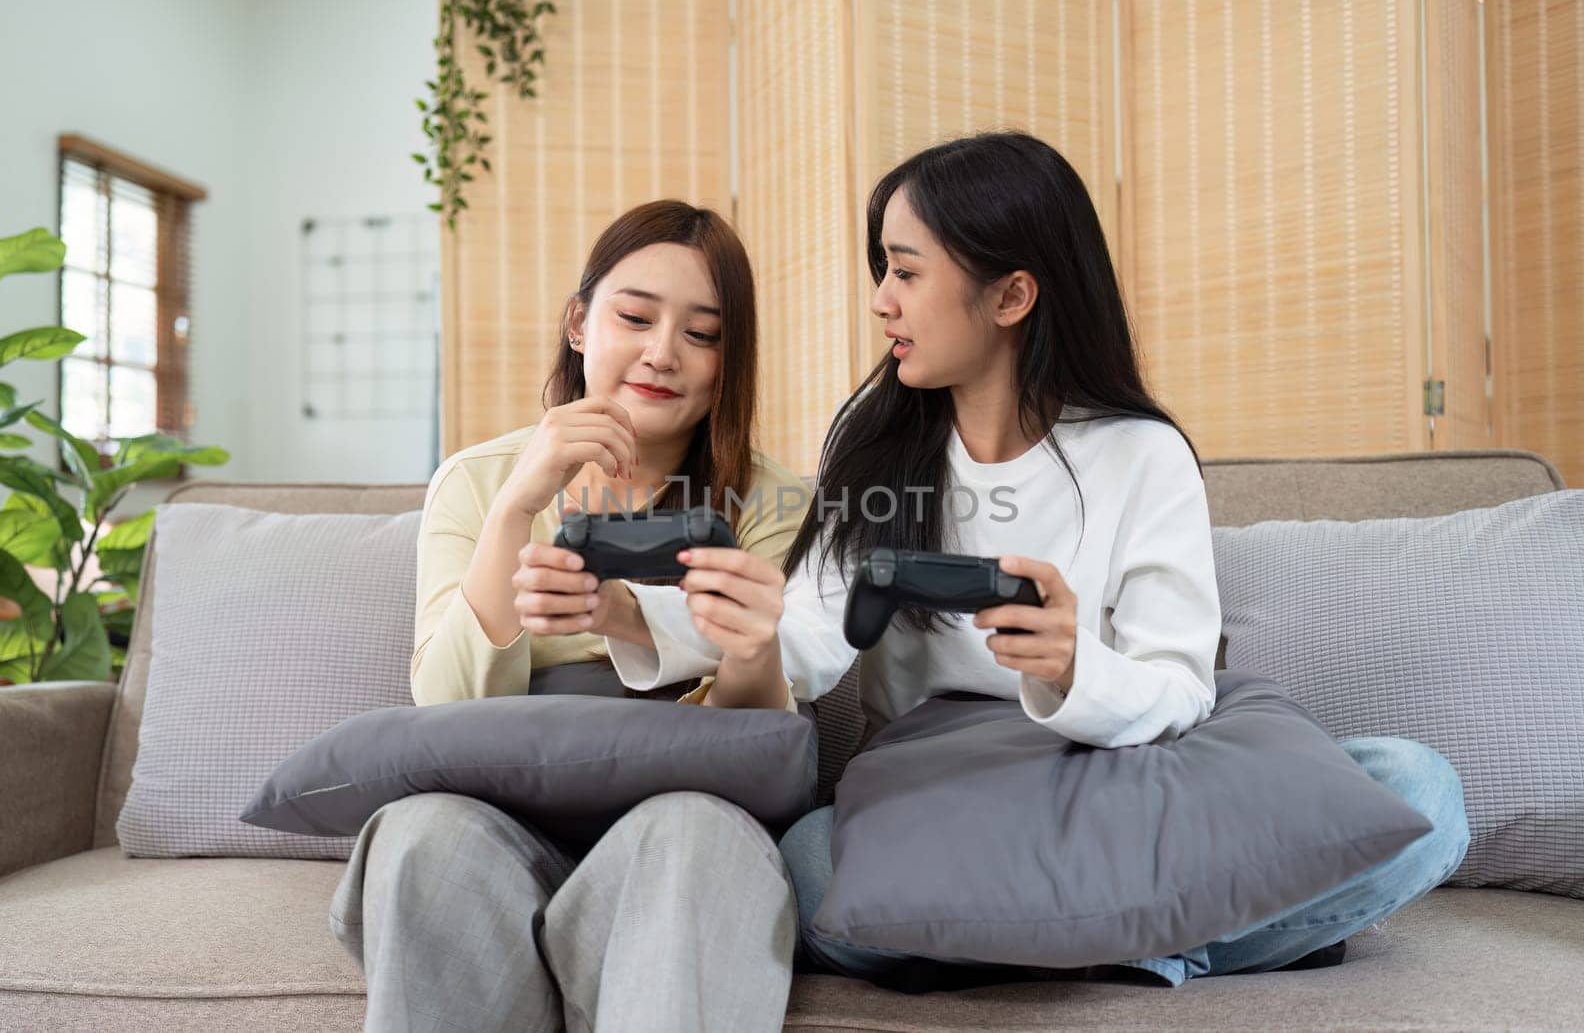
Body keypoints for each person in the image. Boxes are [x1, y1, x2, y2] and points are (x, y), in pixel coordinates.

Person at [608, 132, 1471, 990]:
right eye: (883, 270)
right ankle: (1152, 943)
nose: (881, 301)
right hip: (945, 791)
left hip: (1121, 777)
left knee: (1417, 791)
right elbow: (800, 634)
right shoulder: (872, 439)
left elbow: (1178, 686)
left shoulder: (1142, 455)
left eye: (906, 272)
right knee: (810, 866)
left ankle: (1086, 943)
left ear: (1012, 295)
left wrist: (1070, 665)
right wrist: (632, 612)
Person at [330, 200, 808, 1031]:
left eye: (704, 334)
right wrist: (518, 504)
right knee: (422, 833)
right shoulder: (477, 481)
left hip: (678, 821)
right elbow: (441, 714)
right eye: (635, 317)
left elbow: (755, 751)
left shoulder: (774, 503)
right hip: (498, 827)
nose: (664, 353)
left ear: (731, 364)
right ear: (579, 323)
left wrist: (741, 645)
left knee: (696, 837)